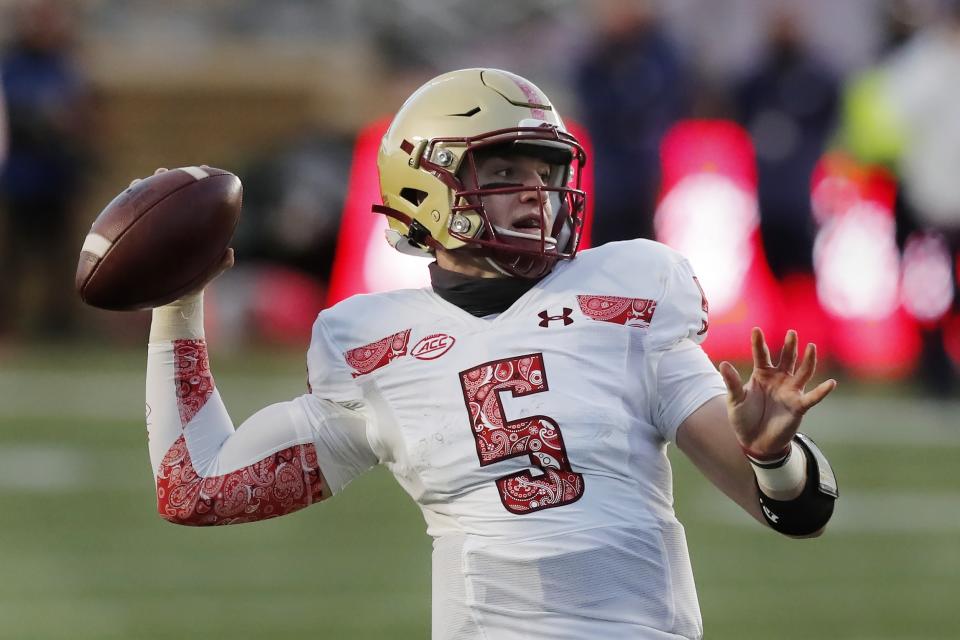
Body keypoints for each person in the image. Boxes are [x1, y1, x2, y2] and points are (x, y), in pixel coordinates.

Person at [143, 68, 838, 640]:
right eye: (506, 170)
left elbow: (796, 509)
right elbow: (198, 487)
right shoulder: (371, 346)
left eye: (547, 171)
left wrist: (773, 456)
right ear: (428, 186)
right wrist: (177, 304)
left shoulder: (625, 294)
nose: (538, 195)